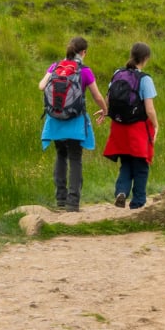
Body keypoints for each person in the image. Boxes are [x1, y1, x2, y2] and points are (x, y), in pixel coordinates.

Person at [39, 37, 108, 212]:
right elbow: (97, 96)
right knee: (75, 158)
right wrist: (105, 110)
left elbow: (41, 86)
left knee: (61, 155)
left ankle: (60, 199)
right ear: (83, 52)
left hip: (55, 119)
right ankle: (73, 202)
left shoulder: (55, 66)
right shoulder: (84, 70)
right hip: (75, 120)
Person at [102, 42, 161, 209]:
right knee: (141, 166)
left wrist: (106, 112)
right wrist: (156, 125)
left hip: (119, 127)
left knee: (126, 163)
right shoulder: (145, 79)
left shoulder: (117, 73)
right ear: (146, 58)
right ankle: (138, 203)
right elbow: (149, 109)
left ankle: (121, 191)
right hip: (138, 128)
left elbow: (108, 99)